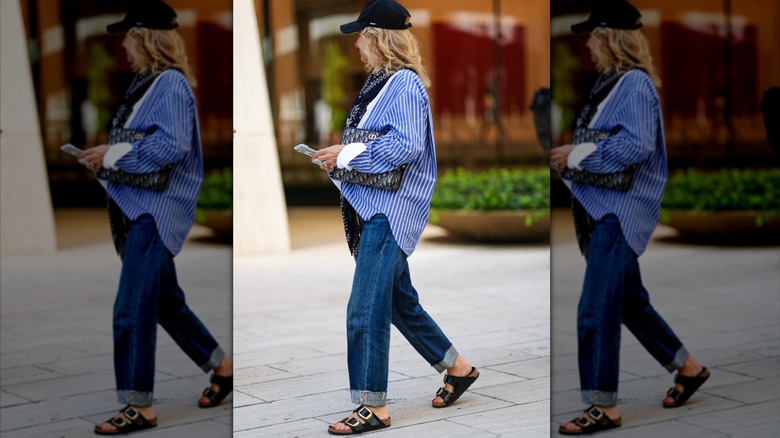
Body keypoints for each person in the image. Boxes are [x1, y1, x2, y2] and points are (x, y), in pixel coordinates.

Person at [312, 0, 479, 435]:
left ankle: (373, 407)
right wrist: (339, 155)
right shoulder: (383, 83)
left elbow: (405, 146)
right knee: (398, 301)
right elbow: (378, 141)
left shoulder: (402, 84)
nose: (357, 45)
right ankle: (457, 367)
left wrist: (346, 153)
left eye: (362, 36)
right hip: (374, 206)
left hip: (389, 210)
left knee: (363, 308)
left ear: (380, 39)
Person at [550, 0, 710, 434]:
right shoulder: (613, 82)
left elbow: (636, 147)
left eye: (594, 37)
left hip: (619, 211)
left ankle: (604, 406)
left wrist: (577, 154)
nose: (589, 46)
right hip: (604, 207)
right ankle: (688, 368)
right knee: (629, 302)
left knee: (595, 308)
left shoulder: (634, 84)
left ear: (611, 39)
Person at [77, 0, 232, 434]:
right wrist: (104, 158)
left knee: (132, 308)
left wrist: (114, 154)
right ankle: (222, 367)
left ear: (146, 38)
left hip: (154, 212)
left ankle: (138, 407)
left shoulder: (169, 85)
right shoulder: (147, 84)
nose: (123, 44)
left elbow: (171, 147)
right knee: (165, 302)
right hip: (137, 208)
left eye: (129, 35)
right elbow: (141, 145)